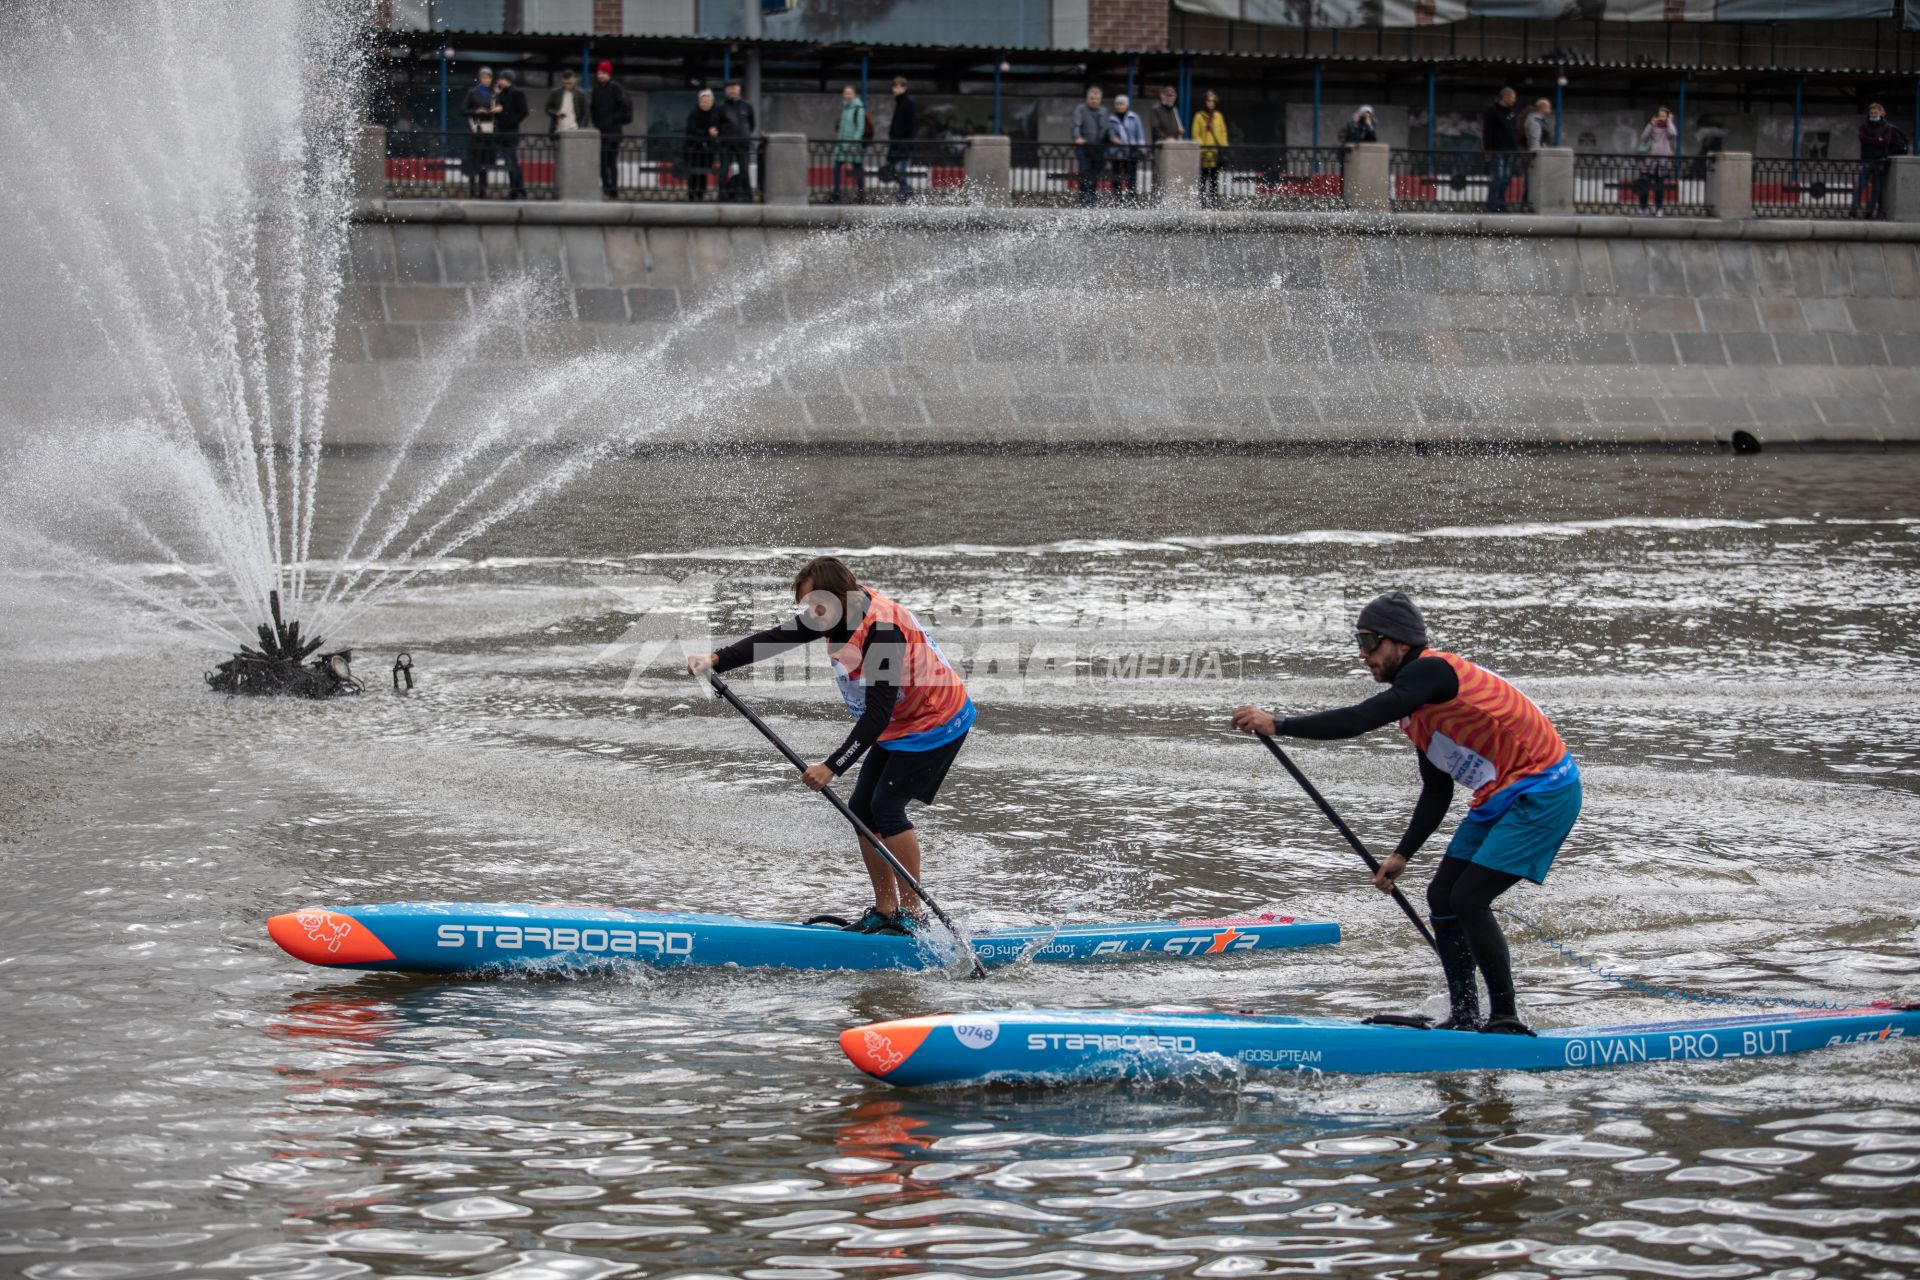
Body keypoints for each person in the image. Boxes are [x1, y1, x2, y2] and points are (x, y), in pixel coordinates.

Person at [1229, 592, 1581, 1037]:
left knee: (1469, 898)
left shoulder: (1432, 670)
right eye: (1358, 642)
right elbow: (1437, 790)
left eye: (1370, 642)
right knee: (1442, 898)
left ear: (1400, 642)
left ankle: (1506, 1019)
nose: (1363, 654)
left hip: (1546, 790)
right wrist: (1402, 854)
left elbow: (1359, 718)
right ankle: (1466, 1014)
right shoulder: (1419, 711)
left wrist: (1279, 724)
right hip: (1500, 796)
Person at [686, 557, 975, 936]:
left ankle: (912, 914)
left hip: (936, 721)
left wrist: (832, 766)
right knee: (860, 808)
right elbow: (777, 638)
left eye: (816, 607)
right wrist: (717, 659)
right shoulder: (835, 612)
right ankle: (886, 910)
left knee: (886, 807)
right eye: (808, 607)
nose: (812, 614)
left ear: (841, 596)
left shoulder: (883, 633)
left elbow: (876, 716)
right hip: (900, 721)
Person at [1853, 104, 1909, 220]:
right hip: (1867, 159)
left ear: (1881, 114)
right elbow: (1863, 139)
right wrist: (1877, 140)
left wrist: (1874, 141)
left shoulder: (1887, 127)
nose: (1874, 115)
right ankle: (1854, 209)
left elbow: (1885, 142)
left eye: (1876, 113)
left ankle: (1869, 211)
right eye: (1872, 113)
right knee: (1861, 186)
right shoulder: (1864, 126)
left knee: (1876, 188)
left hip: (1880, 161)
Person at [589, 60, 633, 199]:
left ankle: (613, 189)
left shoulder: (616, 88)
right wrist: (597, 122)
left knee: (611, 162)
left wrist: (613, 119)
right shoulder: (596, 89)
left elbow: (624, 107)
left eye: (603, 73)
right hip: (601, 130)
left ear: (609, 74)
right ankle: (607, 188)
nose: (601, 75)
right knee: (602, 162)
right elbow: (593, 108)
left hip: (613, 131)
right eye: (599, 73)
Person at [461, 67, 499, 198]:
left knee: (485, 161)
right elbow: (463, 110)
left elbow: (499, 110)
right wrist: (476, 111)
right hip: (475, 131)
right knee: (474, 159)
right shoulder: (472, 93)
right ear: (480, 78)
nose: (486, 80)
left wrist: (496, 110)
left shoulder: (494, 93)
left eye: (489, 77)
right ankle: (472, 188)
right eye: (484, 77)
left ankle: (482, 190)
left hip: (488, 132)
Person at [717, 78, 757, 202]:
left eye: (734, 88)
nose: (732, 91)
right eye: (729, 89)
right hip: (726, 144)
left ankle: (746, 194)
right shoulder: (721, 106)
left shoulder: (747, 106)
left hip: (742, 144)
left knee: (744, 169)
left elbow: (752, 124)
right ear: (726, 91)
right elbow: (717, 124)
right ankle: (723, 194)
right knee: (724, 170)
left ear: (739, 89)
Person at [1482, 86, 1520, 213]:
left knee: (1506, 179)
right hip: (1497, 149)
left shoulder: (1512, 111)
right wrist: (1488, 150)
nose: (1514, 100)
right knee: (1497, 178)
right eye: (1513, 97)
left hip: (1510, 149)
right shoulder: (1492, 110)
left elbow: (1514, 129)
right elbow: (1488, 131)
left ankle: (1501, 203)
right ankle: (1492, 204)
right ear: (1506, 97)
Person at [492, 69, 529, 199]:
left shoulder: (517, 93)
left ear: (507, 80)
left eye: (501, 79)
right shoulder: (501, 93)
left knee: (511, 160)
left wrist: (512, 121)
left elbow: (523, 112)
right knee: (510, 161)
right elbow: (497, 110)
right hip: (502, 132)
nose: (499, 81)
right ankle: (518, 188)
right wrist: (496, 94)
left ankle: (517, 188)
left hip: (511, 131)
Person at [1635, 106, 1677, 217]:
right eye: (1660, 115)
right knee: (1645, 184)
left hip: (1663, 162)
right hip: (1650, 162)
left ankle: (1659, 208)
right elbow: (1643, 137)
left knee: (1659, 187)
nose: (1661, 117)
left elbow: (1673, 134)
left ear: (1667, 116)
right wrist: (1651, 124)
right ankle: (1642, 208)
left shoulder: (1669, 128)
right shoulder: (1653, 126)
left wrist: (1669, 122)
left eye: (1664, 115)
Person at [1071, 86, 1109, 207]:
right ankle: (1084, 200)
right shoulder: (1080, 109)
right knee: (1084, 172)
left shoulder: (1103, 111)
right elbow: (1076, 125)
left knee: (1095, 175)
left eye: (1097, 99)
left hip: (1099, 148)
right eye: (1092, 98)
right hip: (1084, 147)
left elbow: (1107, 128)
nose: (1094, 101)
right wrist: (1077, 137)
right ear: (1087, 98)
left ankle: (1091, 199)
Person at [1105, 94, 1146, 201]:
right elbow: (1109, 133)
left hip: (1131, 152)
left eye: (1122, 104)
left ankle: (1131, 200)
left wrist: (1141, 150)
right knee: (1116, 178)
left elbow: (1139, 135)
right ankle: (1117, 199)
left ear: (1126, 105)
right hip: (1116, 153)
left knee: (1132, 178)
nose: (1120, 106)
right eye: (1118, 104)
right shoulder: (1111, 119)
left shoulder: (1134, 117)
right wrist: (1112, 138)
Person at [831, 84, 867, 203]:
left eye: (849, 93)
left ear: (854, 94)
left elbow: (860, 128)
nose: (847, 95)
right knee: (836, 167)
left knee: (857, 169)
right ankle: (836, 194)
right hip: (842, 145)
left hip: (852, 145)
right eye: (845, 93)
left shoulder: (859, 109)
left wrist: (854, 144)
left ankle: (861, 196)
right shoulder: (845, 108)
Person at [885, 76, 918, 203]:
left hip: (903, 143)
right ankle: (907, 189)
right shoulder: (900, 101)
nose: (895, 89)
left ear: (904, 88)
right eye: (894, 86)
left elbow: (909, 124)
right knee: (892, 169)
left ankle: (904, 195)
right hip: (896, 143)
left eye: (898, 86)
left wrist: (901, 138)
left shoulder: (908, 102)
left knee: (899, 170)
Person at [684, 88, 720, 201]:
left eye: (708, 101)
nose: (705, 103)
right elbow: (691, 129)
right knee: (693, 171)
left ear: (712, 101)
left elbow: (717, 127)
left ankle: (700, 194)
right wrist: (707, 133)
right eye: (703, 101)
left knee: (704, 172)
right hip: (693, 147)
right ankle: (691, 193)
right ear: (699, 101)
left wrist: (713, 133)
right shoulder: (694, 113)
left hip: (708, 148)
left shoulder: (715, 113)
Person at [1193, 89, 1227, 207]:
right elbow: (1196, 135)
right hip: (1204, 155)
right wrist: (1203, 149)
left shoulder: (1218, 116)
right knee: (1203, 180)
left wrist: (1223, 148)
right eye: (1209, 101)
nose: (1211, 103)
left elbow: (1223, 133)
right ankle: (1202, 203)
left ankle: (1213, 202)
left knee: (1214, 180)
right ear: (1205, 102)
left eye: (1213, 101)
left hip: (1215, 154)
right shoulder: (1199, 117)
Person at [545, 67, 587, 136]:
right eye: (566, 83)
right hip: (558, 129)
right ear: (563, 80)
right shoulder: (555, 93)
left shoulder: (580, 95)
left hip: (575, 129)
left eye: (570, 83)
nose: (568, 85)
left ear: (574, 80)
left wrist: (581, 129)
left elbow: (586, 113)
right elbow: (547, 108)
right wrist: (556, 113)